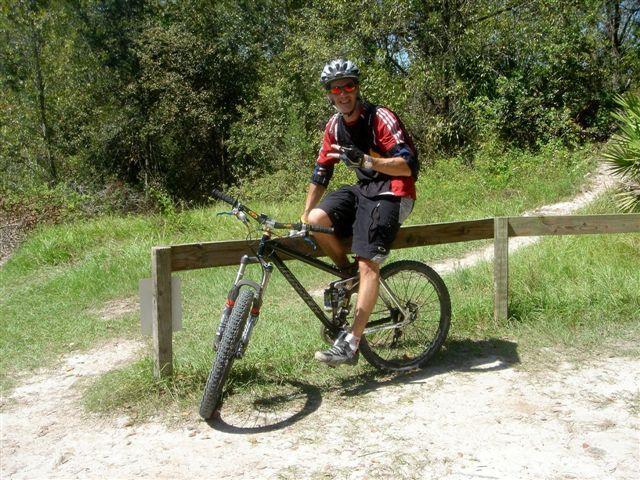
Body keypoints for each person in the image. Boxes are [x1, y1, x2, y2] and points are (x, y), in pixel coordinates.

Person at [301, 59, 419, 366]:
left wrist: (368, 161)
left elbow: (409, 165)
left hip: (394, 191)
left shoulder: (379, 117)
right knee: (316, 221)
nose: (343, 94)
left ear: (357, 87)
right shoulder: (334, 126)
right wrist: (304, 215)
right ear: (329, 93)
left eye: (348, 86)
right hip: (364, 191)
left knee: (369, 263)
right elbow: (320, 172)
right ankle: (346, 272)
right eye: (335, 89)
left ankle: (351, 345)